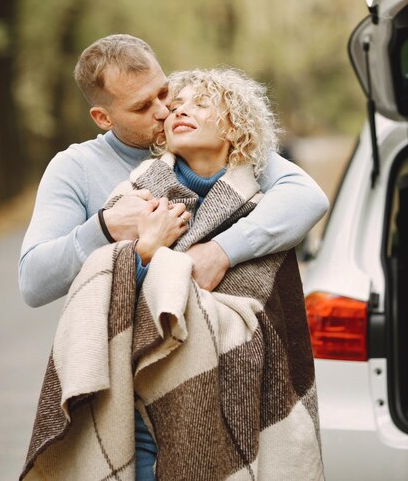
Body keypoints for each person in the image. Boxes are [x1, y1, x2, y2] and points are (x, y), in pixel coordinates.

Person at [21, 67, 325, 481]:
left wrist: (217, 255)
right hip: (139, 406)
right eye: (176, 106)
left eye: (200, 105)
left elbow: (267, 312)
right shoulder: (136, 196)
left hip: (240, 399)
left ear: (235, 126)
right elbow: (101, 294)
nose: (177, 110)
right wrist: (146, 252)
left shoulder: (265, 203)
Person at [19, 34, 328, 309]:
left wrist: (221, 251)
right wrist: (105, 227)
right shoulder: (76, 167)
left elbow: (306, 198)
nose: (164, 111)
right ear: (103, 118)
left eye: (164, 92)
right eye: (142, 107)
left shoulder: (215, 141)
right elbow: (33, 281)